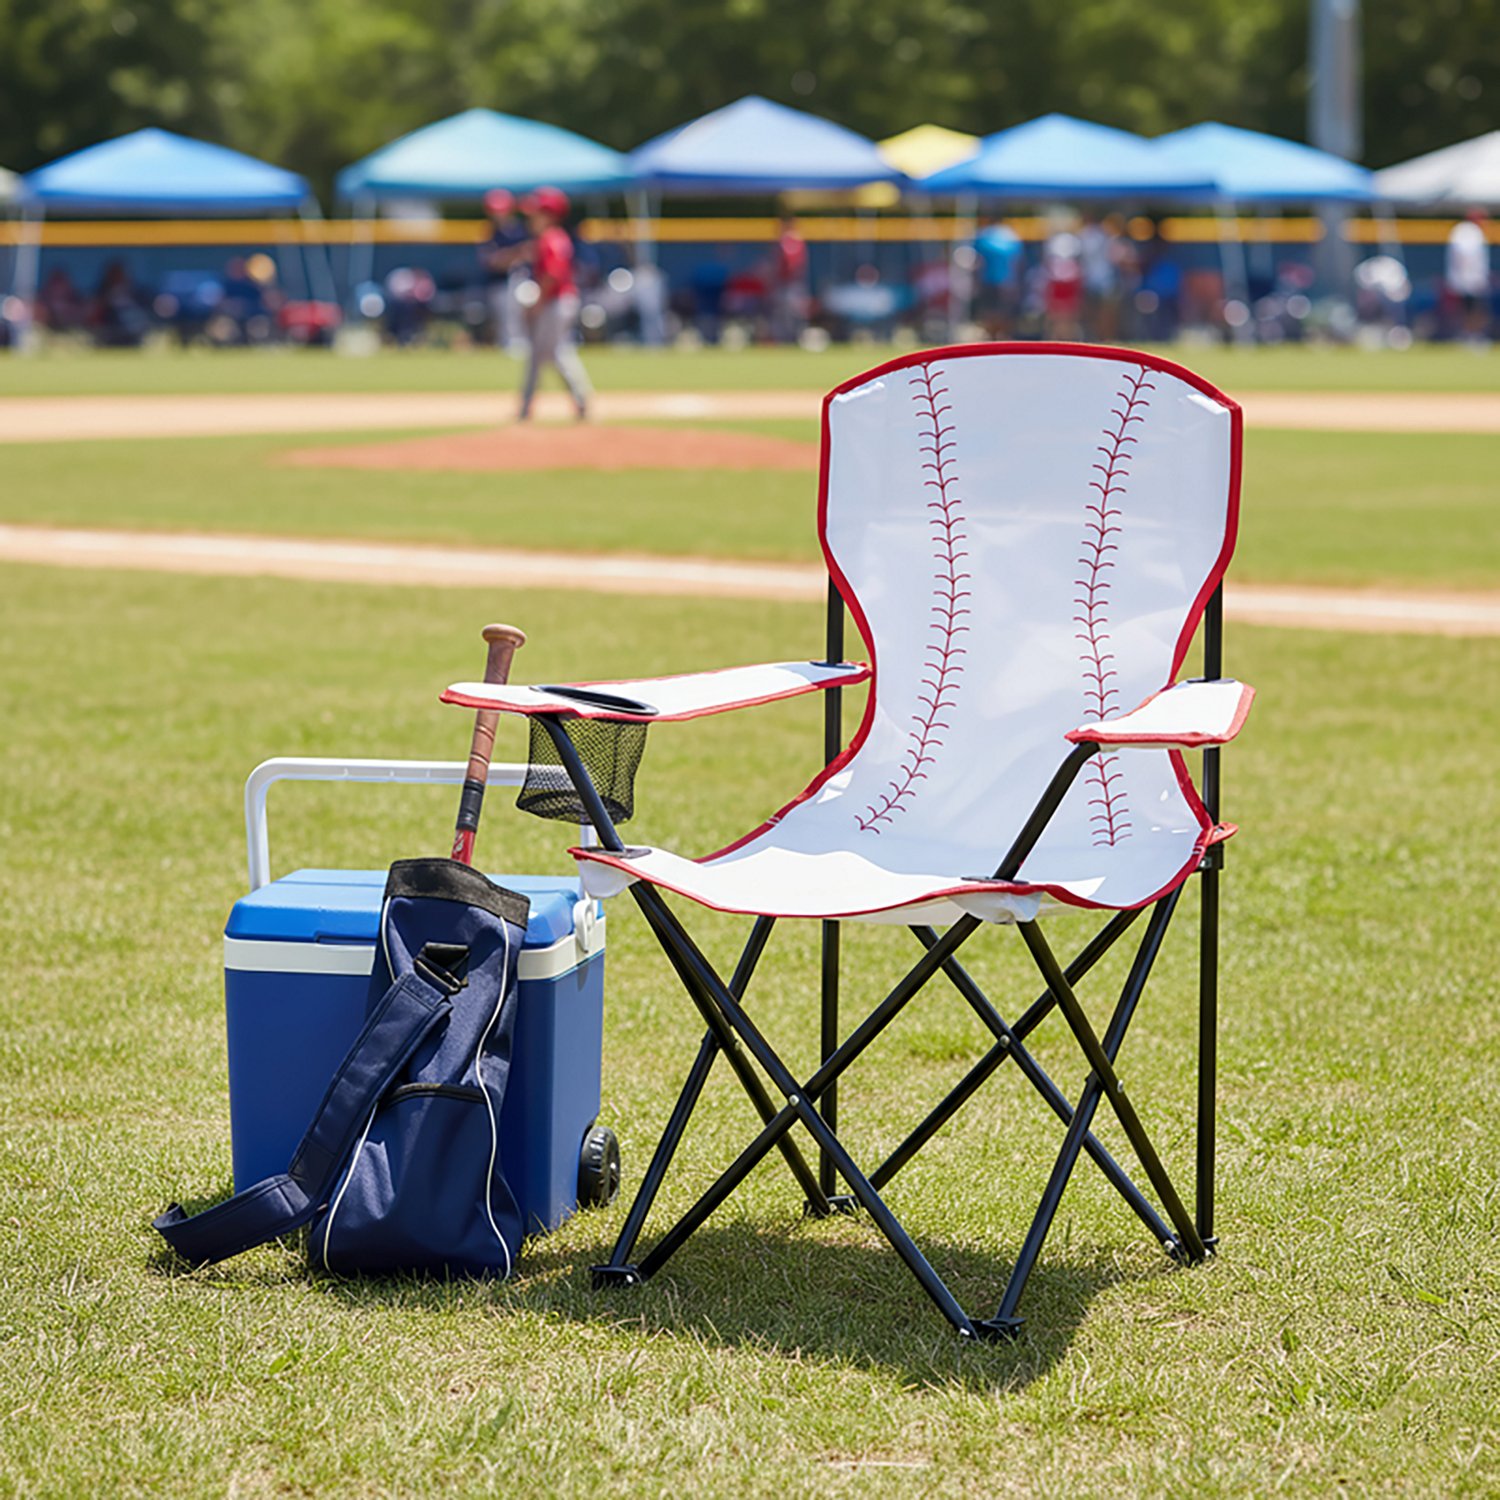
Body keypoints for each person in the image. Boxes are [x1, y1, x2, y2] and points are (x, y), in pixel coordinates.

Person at [517, 187, 591, 422]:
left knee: (548, 353)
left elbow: (552, 275)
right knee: (549, 352)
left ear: (549, 214)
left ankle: (529, 407)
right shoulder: (550, 238)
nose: (530, 217)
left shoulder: (552, 238)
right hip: (556, 301)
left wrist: (537, 304)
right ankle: (529, 406)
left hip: (555, 301)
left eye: (536, 212)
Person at [479, 189, 530, 351]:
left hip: (523, 278)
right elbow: (491, 261)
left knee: (525, 314)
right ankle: (510, 344)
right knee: (504, 316)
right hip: (499, 281)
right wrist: (513, 255)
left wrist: (511, 256)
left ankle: (526, 343)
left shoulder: (521, 229)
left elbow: (531, 252)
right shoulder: (490, 232)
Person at [1446, 208, 1491, 345]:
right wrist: (1469, 276)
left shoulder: (1468, 231)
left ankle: (1469, 335)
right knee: (1470, 309)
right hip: (1468, 278)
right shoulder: (1467, 231)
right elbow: (1464, 254)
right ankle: (1469, 336)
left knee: (1472, 308)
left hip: (1468, 278)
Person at [769, 214, 808, 343]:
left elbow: (794, 266)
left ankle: (794, 338)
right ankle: (783, 339)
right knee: (781, 313)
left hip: (791, 283)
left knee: (794, 312)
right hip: (782, 283)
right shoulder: (783, 241)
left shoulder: (793, 240)